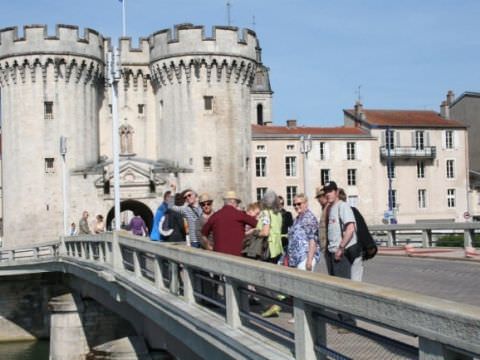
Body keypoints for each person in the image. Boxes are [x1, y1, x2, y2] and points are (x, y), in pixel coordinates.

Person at [324, 181, 363, 282]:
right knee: (336, 285)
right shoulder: (331, 208)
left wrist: (340, 248)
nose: (328, 194)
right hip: (333, 253)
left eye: (330, 191)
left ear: (336, 192)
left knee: (342, 286)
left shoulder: (343, 206)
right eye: (326, 192)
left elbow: (350, 228)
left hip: (341, 254)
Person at [201, 191, 257, 256]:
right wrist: (251, 231)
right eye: (237, 203)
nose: (237, 205)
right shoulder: (240, 214)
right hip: (237, 256)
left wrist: (208, 247)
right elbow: (258, 224)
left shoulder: (215, 216)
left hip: (219, 256)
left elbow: (203, 234)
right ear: (233, 202)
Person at [287, 194, 320, 271]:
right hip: (296, 259)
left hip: (304, 258)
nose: (296, 206)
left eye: (299, 204)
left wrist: (309, 260)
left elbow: (313, 239)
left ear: (306, 204)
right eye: (294, 204)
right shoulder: (298, 218)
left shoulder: (309, 218)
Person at [257, 190, 283, 263]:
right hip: (277, 248)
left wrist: (254, 232)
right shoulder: (279, 214)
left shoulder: (265, 213)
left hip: (268, 249)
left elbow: (265, 233)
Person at [315, 186, 330, 265]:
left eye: (319, 197)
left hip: (329, 246)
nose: (318, 200)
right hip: (325, 247)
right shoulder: (324, 208)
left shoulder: (329, 208)